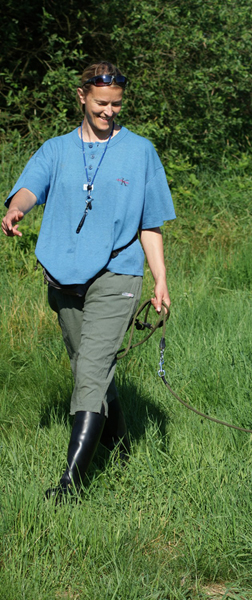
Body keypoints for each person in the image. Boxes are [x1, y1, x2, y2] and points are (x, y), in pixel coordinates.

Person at [2, 61, 176, 500]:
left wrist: (160, 280)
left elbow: (150, 225)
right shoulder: (56, 149)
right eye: (101, 104)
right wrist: (16, 208)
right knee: (89, 369)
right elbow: (29, 187)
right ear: (82, 97)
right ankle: (118, 449)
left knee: (92, 370)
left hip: (119, 272)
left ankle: (70, 486)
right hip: (64, 274)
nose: (109, 112)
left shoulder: (140, 152)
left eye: (116, 104)